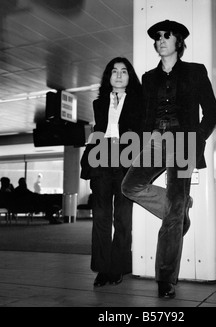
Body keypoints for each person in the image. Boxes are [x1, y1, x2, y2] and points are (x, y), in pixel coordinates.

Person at [121, 20, 216, 299]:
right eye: (157, 37)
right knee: (130, 187)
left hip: (183, 141)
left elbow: (212, 112)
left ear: (179, 42)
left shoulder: (195, 71)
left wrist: (197, 137)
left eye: (167, 36)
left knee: (173, 218)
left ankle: (165, 279)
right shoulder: (148, 78)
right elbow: (144, 115)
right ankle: (180, 206)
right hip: (154, 140)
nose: (161, 39)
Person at [80, 57, 143, 287]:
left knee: (123, 218)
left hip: (126, 159)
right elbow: (99, 129)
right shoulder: (99, 103)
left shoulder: (139, 101)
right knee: (101, 217)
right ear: (108, 76)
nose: (118, 75)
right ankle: (102, 268)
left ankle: (118, 268)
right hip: (101, 158)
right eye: (114, 71)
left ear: (129, 76)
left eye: (124, 71)